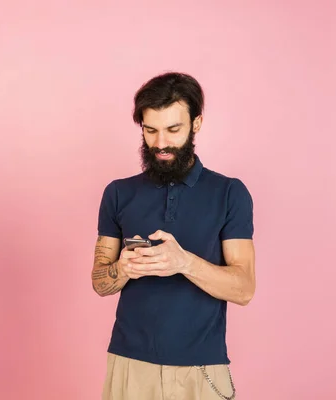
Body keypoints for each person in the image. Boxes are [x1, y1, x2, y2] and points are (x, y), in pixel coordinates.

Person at [92, 72, 255, 400]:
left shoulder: (229, 193)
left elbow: (244, 289)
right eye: (150, 130)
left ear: (196, 124)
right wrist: (122, 269)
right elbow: (99, 281)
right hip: (129, 363)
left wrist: (184, 262)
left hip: (201, 368)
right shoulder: (118, 193)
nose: (160, 143)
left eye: (173, 129)